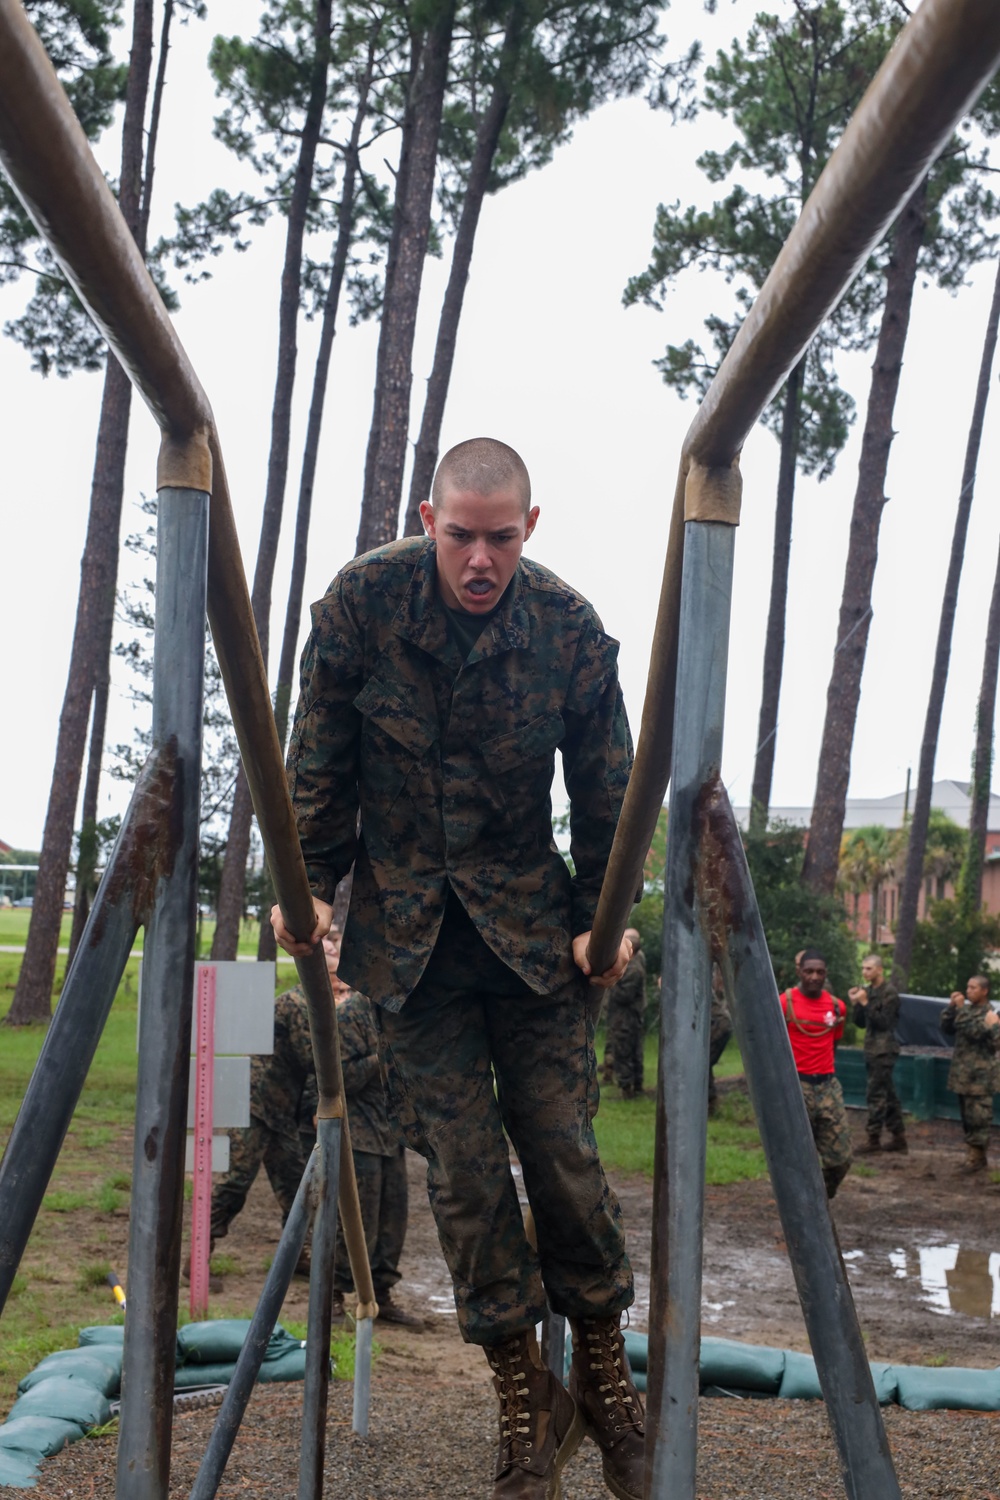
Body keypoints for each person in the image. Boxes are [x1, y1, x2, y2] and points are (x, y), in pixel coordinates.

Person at [272, 436, 644, 1500]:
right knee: (469, 1186)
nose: (479, 559)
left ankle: (608, 1384)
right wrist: (306, 890)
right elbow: (317, 761)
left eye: (500, 537)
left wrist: (602, 919)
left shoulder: (567, 629)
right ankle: (526, 1402)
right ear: (427, 520)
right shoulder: (360, 606)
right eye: (460, 535)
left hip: (535, 947)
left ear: (532, 528)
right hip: (412, 949)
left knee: (565, 1164)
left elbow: (609, 790)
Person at [204, 937, 344, 1280]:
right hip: (254, 1105)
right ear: (321, 977)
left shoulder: (315, 1005)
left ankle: (297, 1254)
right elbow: (314, 1058)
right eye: (337, 977)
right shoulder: (298, 1004)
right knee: (237, 1181)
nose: (342, 984)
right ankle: (198, 1251)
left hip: (281, 1112)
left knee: (296, 1186)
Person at [300, 935, 419, 1327]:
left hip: (392, 1137)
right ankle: (333, 1297)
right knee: (351, 1223)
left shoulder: (400, 1016)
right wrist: (382, 1061)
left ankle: (381, 1295)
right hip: (360, 1138)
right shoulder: (351, 1015)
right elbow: (338, 1077)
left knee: (392, 1223)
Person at [779, 950, 852, 1199]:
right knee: (796, 1155)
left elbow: (834, 1042)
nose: (814, 976)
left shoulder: (836, 1006)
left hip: (827, 1086)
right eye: (809, 971)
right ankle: (800, 1204)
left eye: (819, 972)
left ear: (825, 974)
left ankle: (821, 1196)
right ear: (799, 971)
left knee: (840, 1158)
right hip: (796, 1085)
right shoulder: (784, 1002)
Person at [940, 974, 1000, 1174]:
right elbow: (946, 1028)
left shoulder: (990, 1014)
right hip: (963, 1073)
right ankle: (975, 1155)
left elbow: (973, 1031)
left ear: (984, 991)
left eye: (974, 988)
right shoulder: (965, 1011)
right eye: (968, 987)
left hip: (980, 1076)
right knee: (967, 1116)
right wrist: (950, 1008)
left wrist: (959, 1010)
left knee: (979, 1117)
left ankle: (976, 1157)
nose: (968, 991)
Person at [849, 953, 906, 1155]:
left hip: (884, 1051)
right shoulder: (868, 991)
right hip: (872, 1049)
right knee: (888, 1094)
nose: (865, 972)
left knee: (875, 1095)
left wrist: (866, 1004)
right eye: (863, 968)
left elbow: (884, 1023)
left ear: (880, 970)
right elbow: (861, 1023)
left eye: (869, 968)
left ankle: (873, 1139)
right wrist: (857, 1004)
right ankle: (899, 1136)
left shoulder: (889, 993)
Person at [608, 927, 646, 1098]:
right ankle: (634, 1086)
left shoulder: (633, 969)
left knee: (624, 1052)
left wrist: (610, 983)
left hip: (626, 1019)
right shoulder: (633, 964)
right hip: (627, 1018)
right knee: (632, 1051)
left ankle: (627, 1089)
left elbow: (624, 996)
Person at [708, 966, 734, 1117]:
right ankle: (710, 1103)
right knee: (703, 1064)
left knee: (700, 1064)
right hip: (718, 1024)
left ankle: (709, 1104)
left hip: (720, 1025)